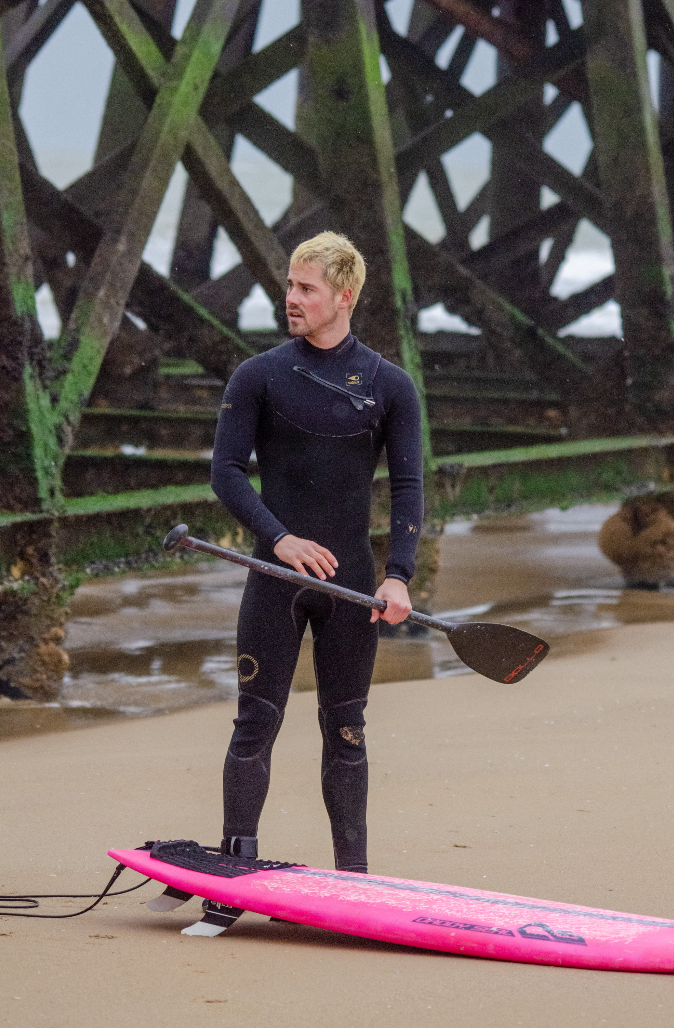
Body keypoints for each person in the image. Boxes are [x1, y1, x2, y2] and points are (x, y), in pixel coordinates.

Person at [210, 231, 423, 875]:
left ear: (343, 296)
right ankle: (234, 873)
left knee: (348, 731)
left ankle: (351, 879)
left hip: (353, 585)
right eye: (289, 287)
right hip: (275, 578)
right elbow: (225, 471)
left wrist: (398, 578)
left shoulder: (389, 386)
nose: (292, 299)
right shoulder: (260, 376)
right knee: (255, 725)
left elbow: (409, 485)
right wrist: (280, 538)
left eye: (306, 289)